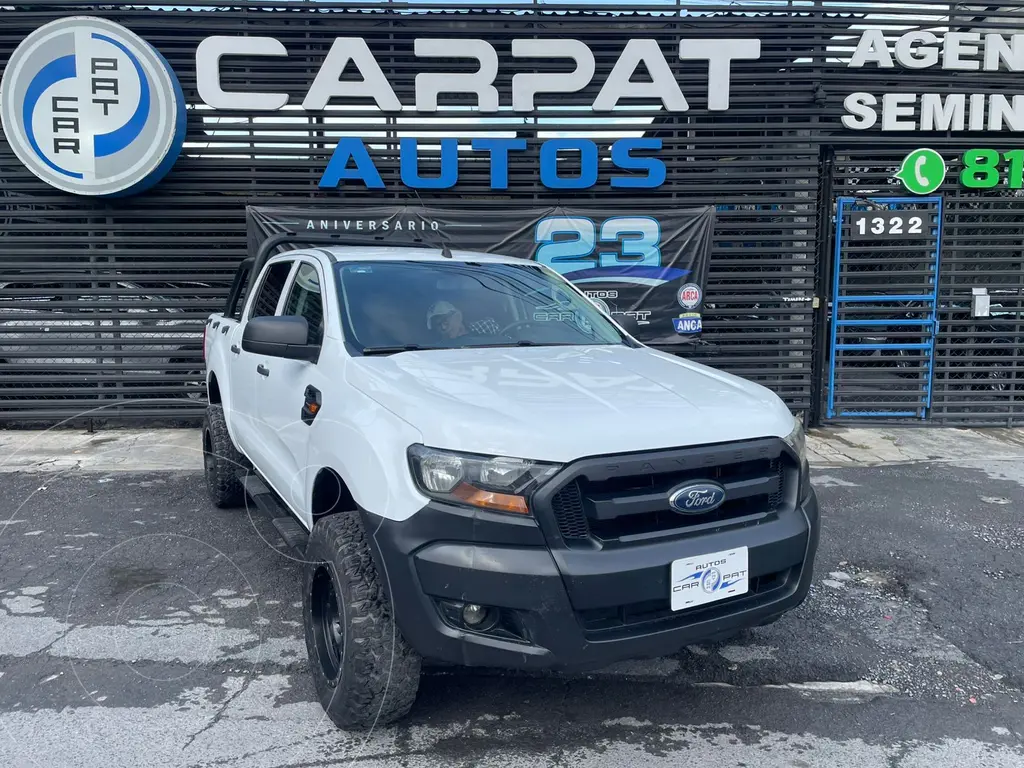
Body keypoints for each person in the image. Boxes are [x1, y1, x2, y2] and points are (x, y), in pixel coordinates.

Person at [426, 300, 500, 339]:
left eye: (445, 322)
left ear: (458, 317)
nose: (443, 328)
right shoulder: (437, 350)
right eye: (438, 325)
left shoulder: (486, 326)